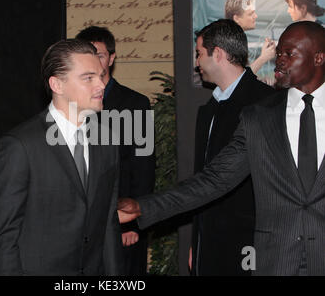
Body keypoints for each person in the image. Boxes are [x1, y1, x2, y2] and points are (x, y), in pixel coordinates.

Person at [118, 21, 325, 276]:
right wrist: (143, 207)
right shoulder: (260, 117)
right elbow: (214, 179)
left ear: (318, 58)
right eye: (279, 53)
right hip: (277, 262)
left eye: (289, 54)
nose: (279, 61)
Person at [0, 39, 124, 276]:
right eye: (88, 78)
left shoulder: (107, 141)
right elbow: (3, 237)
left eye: (101, 76)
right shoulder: (20, 146)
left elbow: (108, 224)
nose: (101, 85)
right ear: (57, 85)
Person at [191, 19, 274, 276]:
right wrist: (197, 242)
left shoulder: (267, 103)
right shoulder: (208, 111)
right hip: (211, 245)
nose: (196, 63)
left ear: (217, 54)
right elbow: (201, 182)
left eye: (199, 54)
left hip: (252, 247)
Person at [75, 26, 155, 275]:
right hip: (80, 227)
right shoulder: (70, 103)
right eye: (86, 54)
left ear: (111, 57)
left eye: (98, 54)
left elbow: (144, 167)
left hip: (122, 223)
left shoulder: (136, 104)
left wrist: (133, 223)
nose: (93, 61)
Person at [224, 0, 276, 74]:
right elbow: (239, 79)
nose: (255, 16)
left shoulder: (234, 37)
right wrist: (264, 57)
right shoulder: (229, 42)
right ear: (237, 18)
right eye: (250, 14)